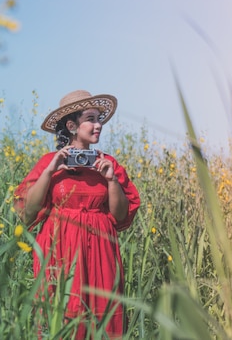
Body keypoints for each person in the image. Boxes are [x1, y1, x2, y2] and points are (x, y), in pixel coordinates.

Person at [14, 90, 140, 339]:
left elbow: (121, 215)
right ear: (72, 125)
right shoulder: (50, 162)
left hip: (101, 250)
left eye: (99, 119)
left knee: (102, 313)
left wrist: (111, 180)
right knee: (60, 314)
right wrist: (51, 170)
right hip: (60, 248)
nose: (98, 125)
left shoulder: (108, 163)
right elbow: (27, 214)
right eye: (91, 119)